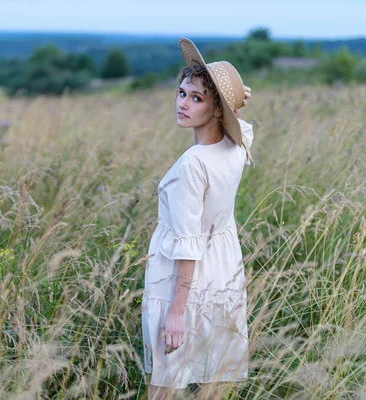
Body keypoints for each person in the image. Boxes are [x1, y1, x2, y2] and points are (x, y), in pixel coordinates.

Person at [141, 37, 255, 399]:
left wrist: (177, 310)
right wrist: (234, 97)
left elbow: (187, 242)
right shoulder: (235, 147)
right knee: (215, 379)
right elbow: (245, 125)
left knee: (165, 383)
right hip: (223, 271)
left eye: (197, 98)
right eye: (181, 92)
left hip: (182, 279)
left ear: (218, 109)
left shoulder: (191, 166)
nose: (183, 104)